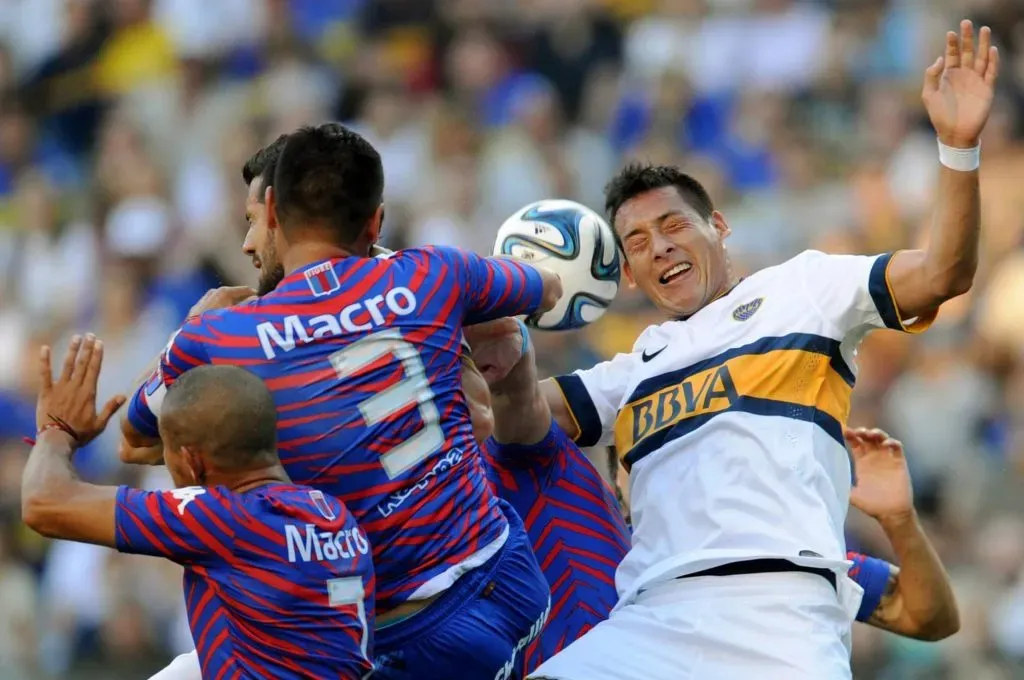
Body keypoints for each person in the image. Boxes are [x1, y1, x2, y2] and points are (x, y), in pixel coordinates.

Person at [516, 21, 996, 679]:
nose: (658, 246)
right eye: (637, 242)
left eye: (673, 224)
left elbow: (944, 273)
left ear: (718, 226)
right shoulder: (628, 373)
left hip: (781, 612)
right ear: (626, 275)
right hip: (649, 619)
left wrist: (958, 149)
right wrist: (489, 302)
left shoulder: (806, 286)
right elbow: (503, 413)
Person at [119, 123, 562, 680]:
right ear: (374, 221)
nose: (247, 245)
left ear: (273, 209)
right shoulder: (434, 272)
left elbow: (133, 440)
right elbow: (545, 287)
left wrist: (190, 327)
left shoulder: (221, 336)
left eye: (252, 223)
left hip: (398, 641)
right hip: (515, 581)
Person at [461, 320, 958, 676]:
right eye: (656, 457)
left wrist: (900, 521)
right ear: (617, 482)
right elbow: (518, 412)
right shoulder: (569, 518)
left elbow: (928, 616)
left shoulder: (759, 561)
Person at [22, 336, 375, 679]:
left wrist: (56, 431)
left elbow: (44, 502)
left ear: (192, 462)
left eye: (168, 456)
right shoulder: (335, 514)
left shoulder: (223, 519)